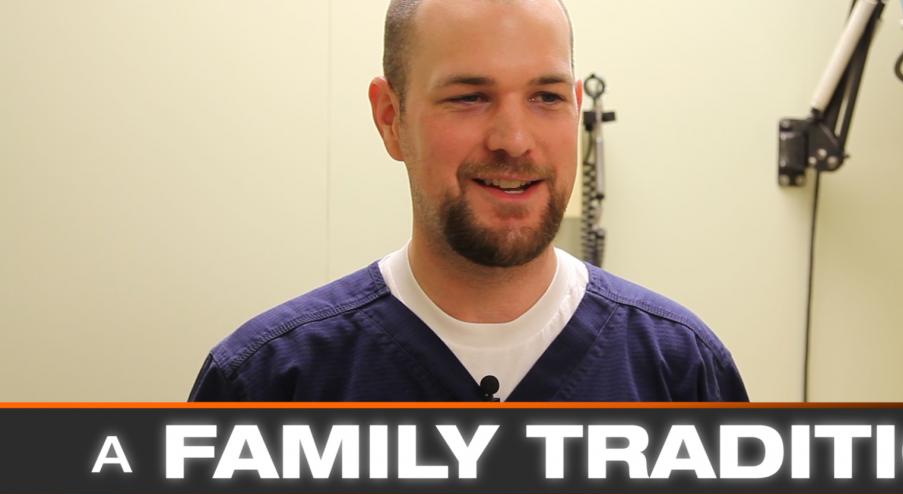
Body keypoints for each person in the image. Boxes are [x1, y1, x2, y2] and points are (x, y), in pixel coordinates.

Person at [188, 0, 748, 402]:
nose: (514, 139)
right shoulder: (270, 385)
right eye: (470, 97)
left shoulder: (681, 374)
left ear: (577, 107)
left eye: (546, 96)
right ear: (391, 118)